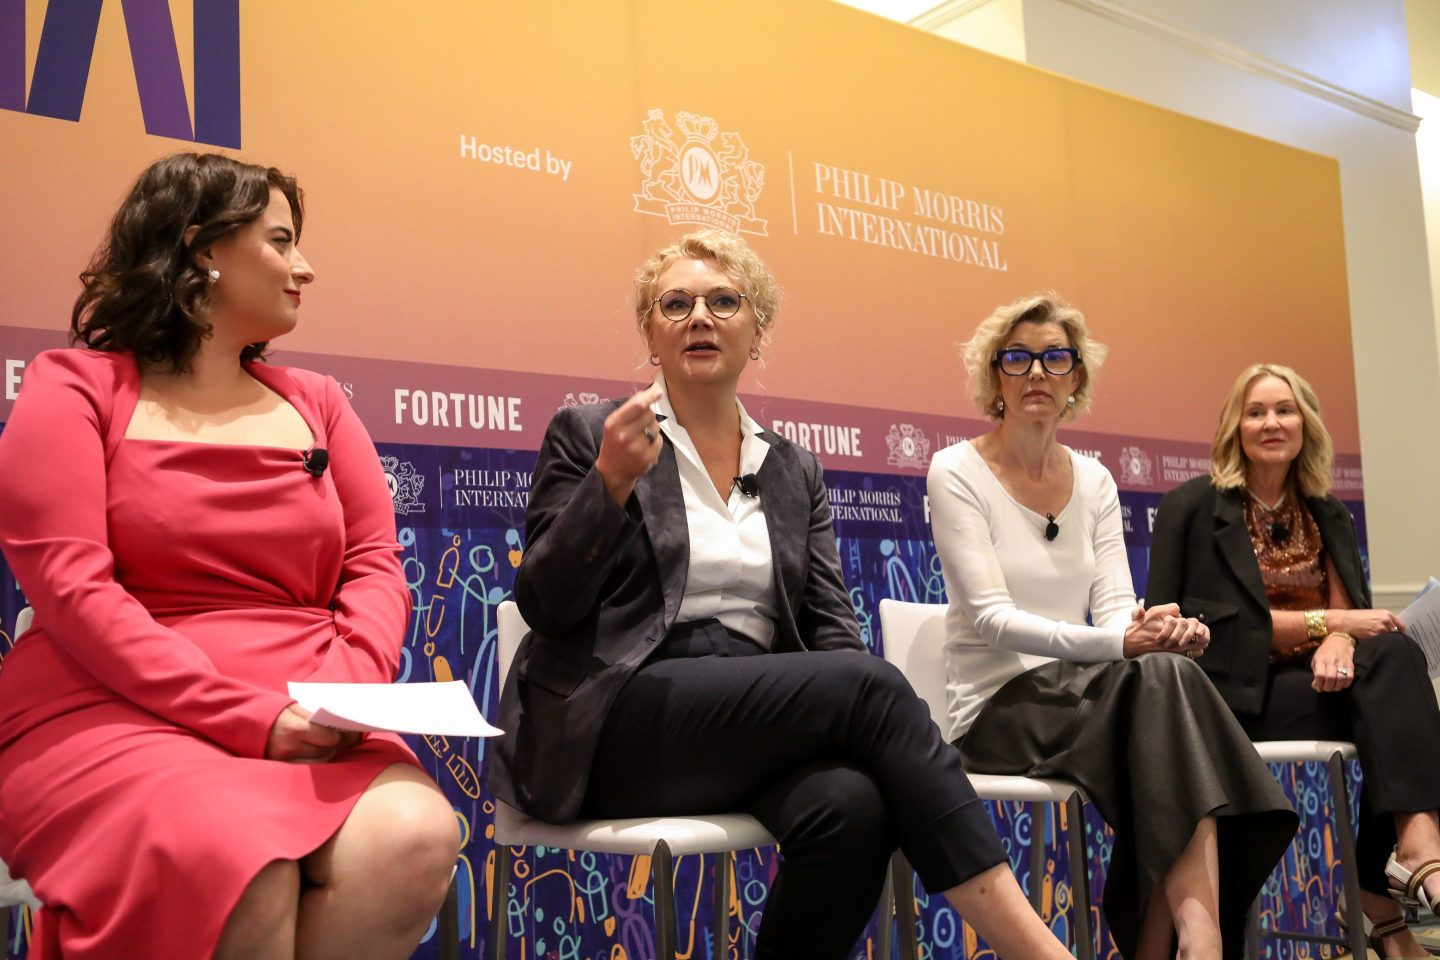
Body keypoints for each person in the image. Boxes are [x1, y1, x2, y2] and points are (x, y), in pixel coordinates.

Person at [488, 230, 1078, 960]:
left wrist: (858, 721)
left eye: (723, 302)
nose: (699, 317)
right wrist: (608, 484)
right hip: (618, 720)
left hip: (750, 716)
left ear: (756, 329)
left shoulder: (793, 468)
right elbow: (545, 605)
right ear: (650, 332)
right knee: (866, 685)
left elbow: (830, 627)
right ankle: (1038, 952)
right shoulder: (591, 435)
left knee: (853, 808)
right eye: (675, 304)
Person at [0, 153, 460, 959]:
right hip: (114, 708)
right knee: (238, 865)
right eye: (281, 241)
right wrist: (253, 718)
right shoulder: (71, 387)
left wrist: (339, 700)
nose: (305, 269)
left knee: (415, 837)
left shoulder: (317, 401)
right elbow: (72, 590)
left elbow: (375, 567)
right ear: (203, 246)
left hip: (307, 708)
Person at [928, 294, 1298, 960]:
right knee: (1159, 692)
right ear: (994, 376)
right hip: (994, 712)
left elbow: (1118, 608)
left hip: (1089, 703)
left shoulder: (1095, 479)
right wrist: (1124, 642)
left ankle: (1191, 939)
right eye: (1017, 358)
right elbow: (992, 619)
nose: (1036, 372)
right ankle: (1198, 939)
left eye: (1055, 358)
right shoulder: (956, 470)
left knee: (1166, 675)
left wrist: (1158, 629)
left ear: (1075, 378)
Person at [1146, 362, 1440, 957]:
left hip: (1314, 688)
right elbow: (1175, 627)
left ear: (1306, 424)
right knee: (1394, 711)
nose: (1271, 422)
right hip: (1229, 702)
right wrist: (1327, 625)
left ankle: (1416, 849)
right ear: (1235, 427)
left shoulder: (1328, 511)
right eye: (1255, 412)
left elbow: (1353, 617)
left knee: (1395, 661)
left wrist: (1341, 640)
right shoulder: (1191, 507)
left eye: (1285, 410)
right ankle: (1383, 898)